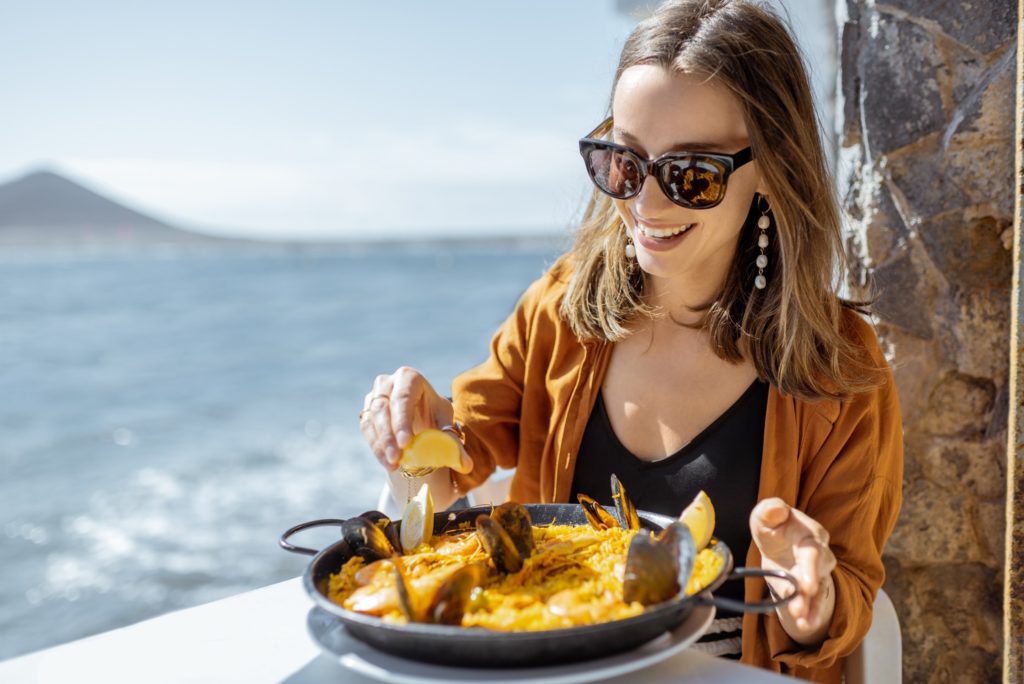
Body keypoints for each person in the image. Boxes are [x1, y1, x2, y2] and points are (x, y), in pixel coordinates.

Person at [357, 1, 903, 681]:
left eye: (692, 175)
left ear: (770, 168)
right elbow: (440, 477)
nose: (647, 203)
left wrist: (810, 594)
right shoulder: (558, 314)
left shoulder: (840, 369)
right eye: (624, 162)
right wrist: (407, 431)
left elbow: (851, 602)